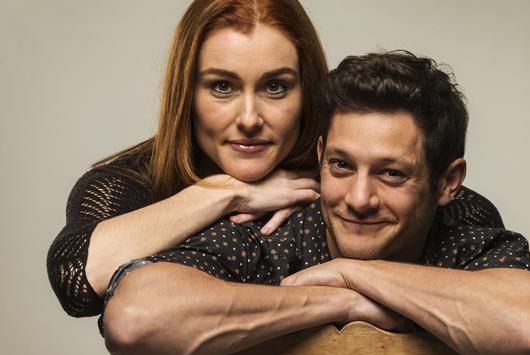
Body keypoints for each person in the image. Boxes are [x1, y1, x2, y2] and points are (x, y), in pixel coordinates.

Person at [101, 51, 530, 355]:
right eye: (342, 166)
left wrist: (352, 272)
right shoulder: (264, 237)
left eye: (391, 173)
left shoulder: (471, 243)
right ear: (321, 155)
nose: (359, 199)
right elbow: (137, 319)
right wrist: (341, 300)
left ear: (448, 182)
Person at [47, 0, 504, 317]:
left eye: (275, 86)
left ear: (308, 91)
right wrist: (227, 193)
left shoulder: (342, 174)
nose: (249, 118)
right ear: (188, 92)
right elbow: (76, 282)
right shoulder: (128, 182)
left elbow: (469, 214)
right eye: (222, 86)